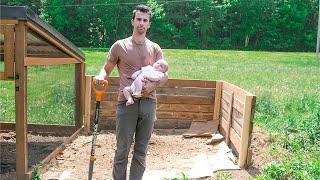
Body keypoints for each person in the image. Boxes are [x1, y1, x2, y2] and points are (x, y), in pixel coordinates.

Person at [93, 4, 168, 180]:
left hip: (149, 103)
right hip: (126, 102)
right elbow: (107, 69)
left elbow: (164, 76)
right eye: (138, 19)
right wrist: (100, 76)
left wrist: (153, 86)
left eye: (145, 20)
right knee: (122, 150)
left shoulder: (155, 48)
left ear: (149, 24)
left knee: (141, 150)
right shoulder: (120, 46)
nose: (141, 23)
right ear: (132, 21)